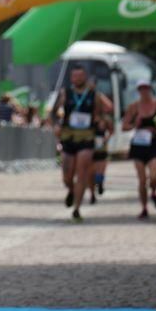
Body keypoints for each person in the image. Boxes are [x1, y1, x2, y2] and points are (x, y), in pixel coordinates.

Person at [51, 65, 107, 222]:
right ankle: (71, 189)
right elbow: (54, 112)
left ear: (85, 77)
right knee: (67, 176)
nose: (78, 79)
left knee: (82, 173)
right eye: (75, 76)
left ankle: (77, 209)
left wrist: (100, 121)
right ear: (71, 78)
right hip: (69, 136)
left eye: (80, 76)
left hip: (87, 137)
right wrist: (56, 125)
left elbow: (101, 114)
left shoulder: (94, 95)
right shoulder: (65, 93)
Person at [122, 80, 156, 219]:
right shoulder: (133, 107)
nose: (144, 91)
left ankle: (154, 192)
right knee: (142, 180)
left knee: (154, 176)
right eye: (141, 89)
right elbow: (124, 126)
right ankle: (144, 208)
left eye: (146, 88)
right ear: (138, 91)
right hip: (138, 144)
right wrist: (134, 124)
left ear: (150, 89)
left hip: (154, 143)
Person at [89, 91, 114, 204]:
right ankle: (92, 193)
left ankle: (99, 183)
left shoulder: (105, 119)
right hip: (89, 146)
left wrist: (106, 139)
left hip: (101, 147)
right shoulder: (87, 115)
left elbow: (111, 131)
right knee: (90, 172)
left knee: (100, 169)